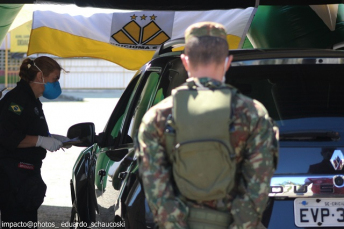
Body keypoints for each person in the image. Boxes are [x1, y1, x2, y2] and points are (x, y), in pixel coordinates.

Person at [136, 22, 279, 229]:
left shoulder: (157, 117)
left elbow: (156, 189)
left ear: (185, 61)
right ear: (228, 62)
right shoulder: (253, 113)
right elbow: (258, 185)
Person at [0, 56, 69, 228]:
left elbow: (27, 130)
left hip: (26, 177)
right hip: (13, 178)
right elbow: (6, 136)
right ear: (40, 77)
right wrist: (40, 140)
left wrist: (51, 137)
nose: (56, 85)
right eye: (55, 79)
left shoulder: (33, 101)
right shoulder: (17, 100)